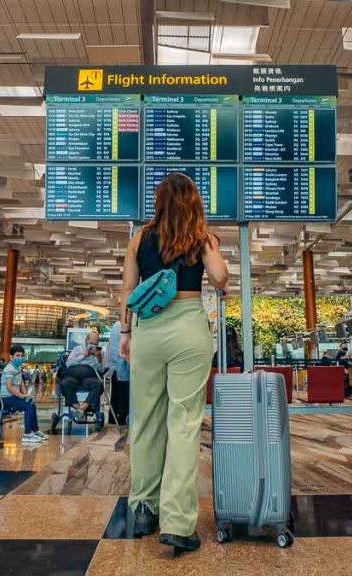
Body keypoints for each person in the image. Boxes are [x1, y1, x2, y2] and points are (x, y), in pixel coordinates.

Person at [120, 172, 229, 554]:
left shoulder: (139, 238)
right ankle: (178, 525)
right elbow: (218, 277)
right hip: (187, 325)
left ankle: (143, 509)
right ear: (193, 202)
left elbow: (128, 290)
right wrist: (215, 265)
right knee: (183, 423)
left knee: (146, 419)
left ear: (159, 201)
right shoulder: (202, 237)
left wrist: (125, 334)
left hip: (148, 330)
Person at [0, 344, 48, 444]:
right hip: (7, 398)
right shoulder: (9, 369)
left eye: (22, 356)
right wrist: (21, 396)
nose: (20, 358)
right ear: (11, 357)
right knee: (28, 406)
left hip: (13, 396)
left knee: (31, 403)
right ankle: (27, 434)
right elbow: (9, 387)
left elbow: (21, 382)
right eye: (17, 356)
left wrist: (26, 395)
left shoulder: (17, 367)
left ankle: (35, 430)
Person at [62, 331, 105, 417]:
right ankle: (76, 406)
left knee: (99, 385)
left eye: (96, 344)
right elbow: (69, 363)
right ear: (86, 341)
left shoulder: (99, 353)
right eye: (91, 343)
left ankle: (83, 407)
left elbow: (101, 370)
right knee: (66, 383)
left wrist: (99, 359)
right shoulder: (77, 349)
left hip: (89, 375)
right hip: (75, 373)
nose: (93, 346)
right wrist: (84, 356)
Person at [104, 321, 130, 425]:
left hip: (118, 368)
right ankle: (120, 420)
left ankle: (114, 420)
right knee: (121, 395)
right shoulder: (120, 326)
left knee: (117, 396)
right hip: (120, 368)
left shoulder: (118, 326)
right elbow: (117, 351)